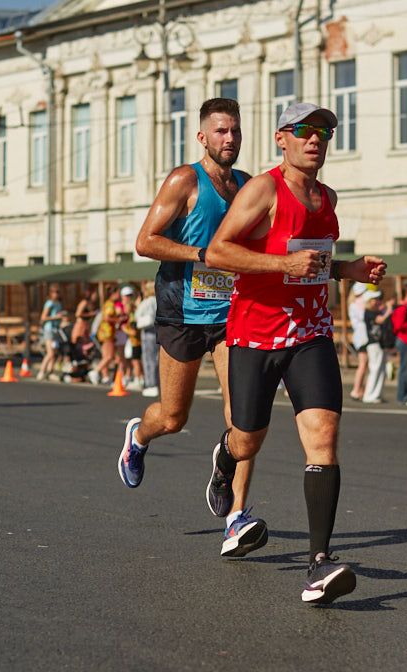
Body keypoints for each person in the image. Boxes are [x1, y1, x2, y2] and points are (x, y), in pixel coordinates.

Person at [205, 101, 386, 605]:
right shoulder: (261, 190)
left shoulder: (327, 197)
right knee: (247, 441)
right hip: (255, 336)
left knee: (324, 437)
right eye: (305, 131)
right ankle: (225, 455)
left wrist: (346, 270)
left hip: (310, 333)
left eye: (325, 132)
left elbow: (314, 265)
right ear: (282, 138)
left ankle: (319, 564)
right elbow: (219, 251)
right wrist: (282, 260)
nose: (316, 140)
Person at [118, 97, 265, 558]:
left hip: (231, 318)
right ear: (202, 137)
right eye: (221, 131)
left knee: (245, 418)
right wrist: (203, 255)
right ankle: (139, 436)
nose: (230, 139)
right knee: (173, 416)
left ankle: (236, 518)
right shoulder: (186, 180)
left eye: (236, 131)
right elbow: (146, 241)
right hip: (181, 313)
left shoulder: (246, 186)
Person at [134, 281, 159, 397]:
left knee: (148, 358)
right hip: (158, 330)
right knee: (158, 358)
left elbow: (137, 315)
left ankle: (150, 384)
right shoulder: (159, 301)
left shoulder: (147, 302)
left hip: (148, 330)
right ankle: (159, 383)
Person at [347, 282, 371, 400]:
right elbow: (364, 317)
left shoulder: (355, 304)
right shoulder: (356, 305)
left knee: (365, 364)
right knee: (363, 363)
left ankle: (361, 389)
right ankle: (356, 389)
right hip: (362, 337)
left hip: (362, 336)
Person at [38, 284, 65, 379]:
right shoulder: (49, 303)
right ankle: (41, 371)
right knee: (49, 352)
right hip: (49, 329)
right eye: (55, 292)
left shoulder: (58, 304)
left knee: (54, 352)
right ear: (51, 293)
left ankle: (50, 371)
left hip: (56, 330)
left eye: (58, 292)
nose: (56, 294)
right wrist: (55, 317)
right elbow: (43, 317)